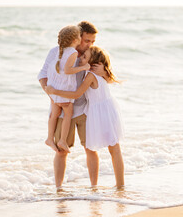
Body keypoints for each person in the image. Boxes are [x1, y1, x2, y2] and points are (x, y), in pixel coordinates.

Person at [38, 21, 106, 188]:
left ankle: (94, 188)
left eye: (93, 42)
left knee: (90, 148)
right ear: (78, 37)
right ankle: (59, 189)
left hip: (84, 108)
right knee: (61, 151)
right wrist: (52, 96)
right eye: (87, 41)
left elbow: (105, 77)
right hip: (62, 107)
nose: (89, 44)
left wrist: (103, 72)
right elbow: (42, 76)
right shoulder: (57, 52)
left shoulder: (92, 54)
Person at [45, 46, 125, 188]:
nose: (81, 58)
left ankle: (119, 185)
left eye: (84, 57)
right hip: (107, 110)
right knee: (114, 148)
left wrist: (54, 91)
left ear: (92, 62)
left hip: (100, 112)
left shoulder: (90, 75)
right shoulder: (99, 74)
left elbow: (76, 94)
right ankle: (120, 185)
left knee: (113, 148)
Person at [45, 25, 90, 153]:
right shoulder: (73, 52)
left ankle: (49, 138)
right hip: (64, 90)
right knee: (68, 114)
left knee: (54, 114)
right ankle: (62, 140)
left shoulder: (60, 50)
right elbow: (68, 70)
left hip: (55, 88)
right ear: (76, 39)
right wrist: (83, 68)